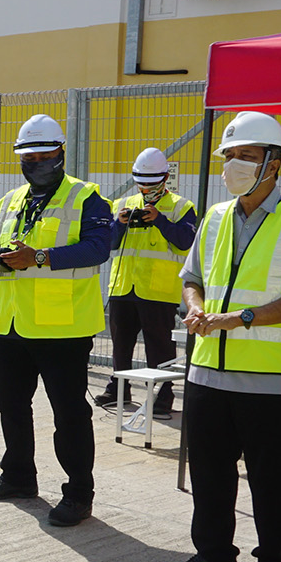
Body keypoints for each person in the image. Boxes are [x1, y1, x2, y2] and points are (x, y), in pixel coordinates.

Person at [156, 112, 281, 562]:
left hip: (269, 380)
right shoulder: (214, 217)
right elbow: (193, 277)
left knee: (270, 484)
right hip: (207, 371)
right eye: (229, 157)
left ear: (274, 163)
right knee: (209, 474)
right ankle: (213, 556)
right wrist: (197, 307)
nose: (235, 166)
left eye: (247, 157)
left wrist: (241, 317)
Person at [0, 113, 113, 526]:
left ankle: (78, 493)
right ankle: (18, 475)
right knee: (10, 404)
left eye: (43, 153)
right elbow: (3, 246)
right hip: (12, 321)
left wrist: (38, 257)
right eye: (26, 155)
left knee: (68, 413)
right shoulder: (11, 200)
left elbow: (97, 249)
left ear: (61, 153)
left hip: (62, 327)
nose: (34, 161)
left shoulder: (87, 197)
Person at [95, 147, 196, 417]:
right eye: (141, 182)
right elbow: (108, 244)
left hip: (158, 290)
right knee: (121, 343)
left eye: (151, 183)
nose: (146, 188)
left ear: (164, 179)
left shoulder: (181, 207)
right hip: (123, 286)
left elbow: (186, 242)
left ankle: (163, 397)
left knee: (159, 347)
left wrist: (160, 220)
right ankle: (119, 388)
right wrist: (119, 224)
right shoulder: (123, 205)